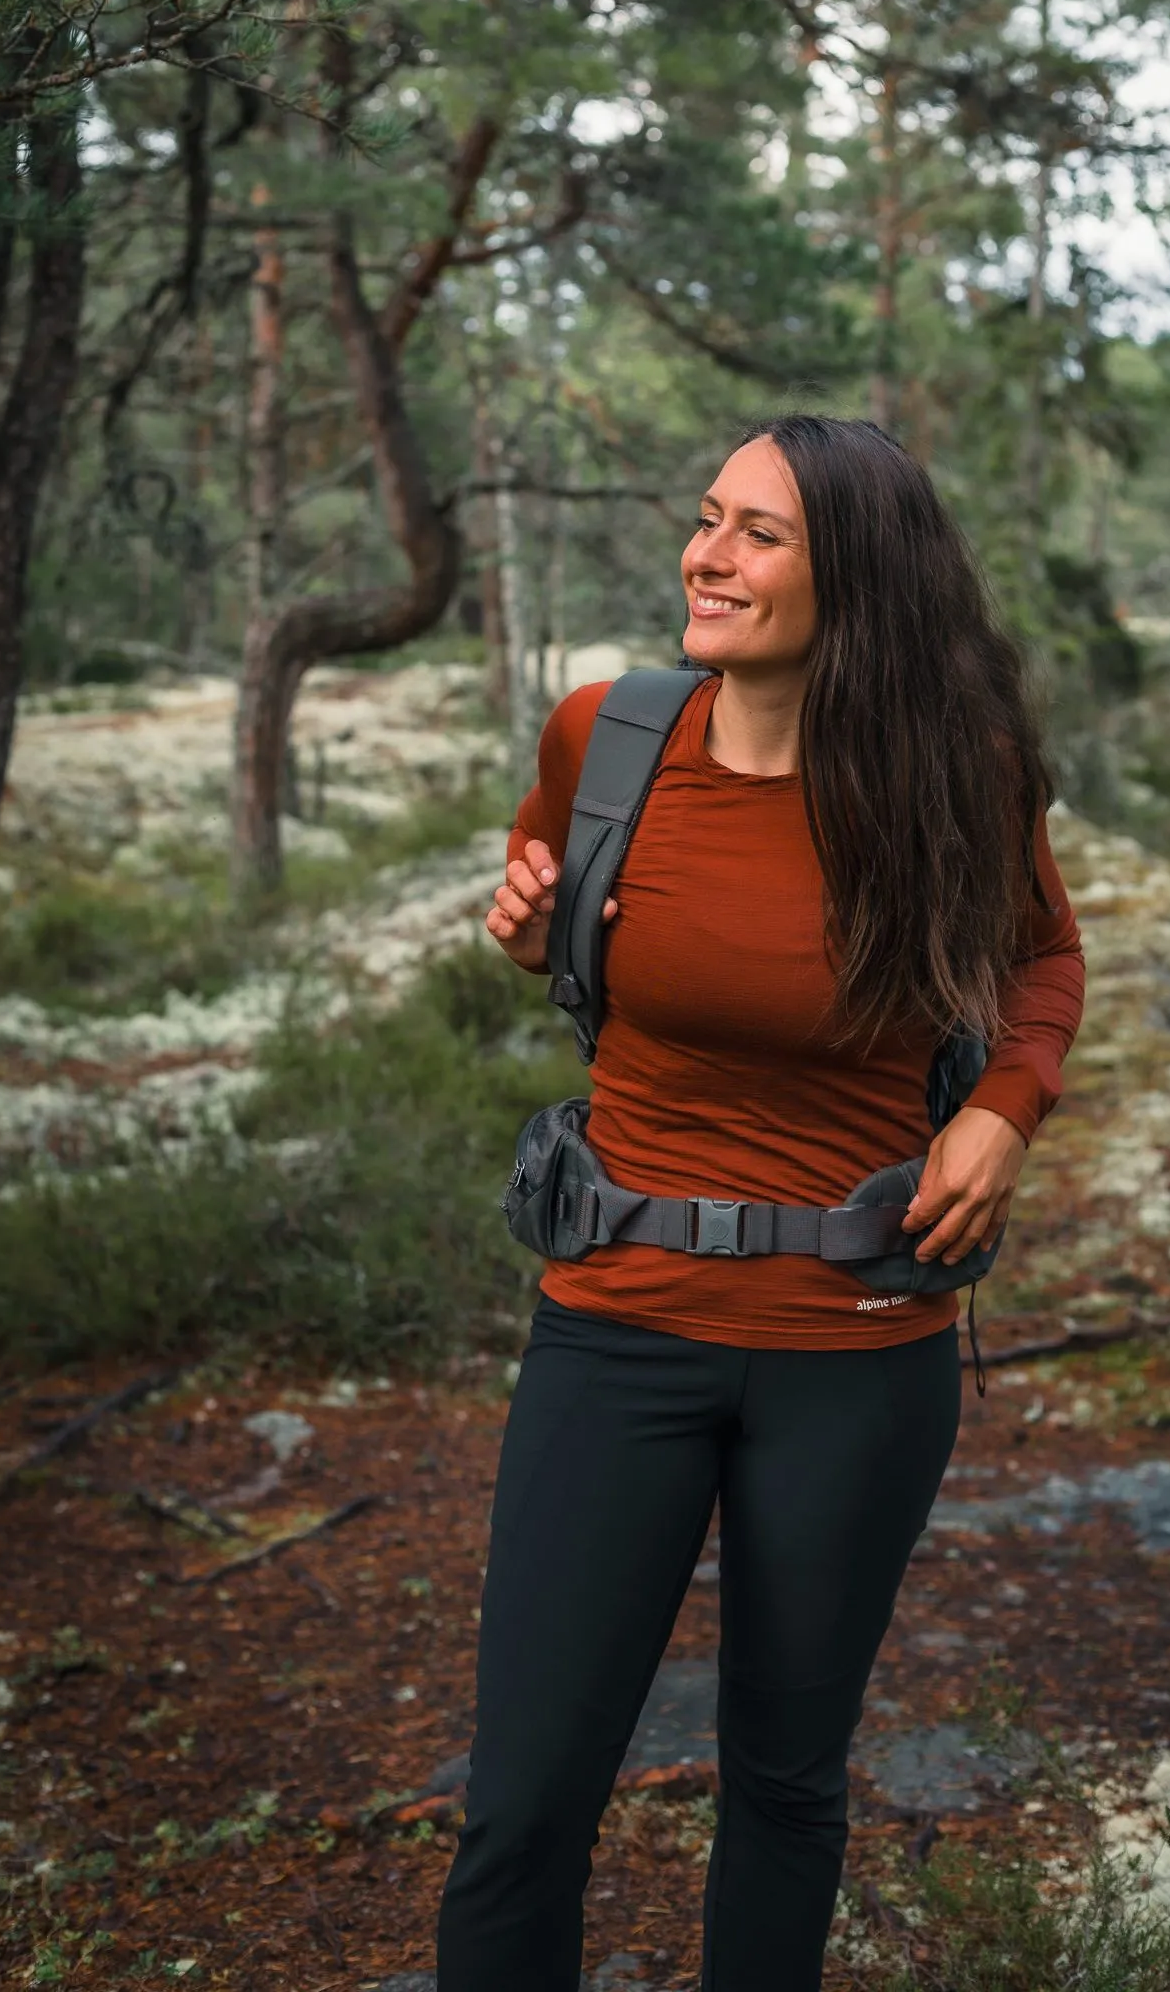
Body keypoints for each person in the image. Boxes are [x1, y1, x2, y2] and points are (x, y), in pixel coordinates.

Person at [435, 414, 1086, 1992]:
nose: (708, 557)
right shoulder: (606, 736)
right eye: (706, 516)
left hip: (858, 1349)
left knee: (785, 1784)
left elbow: (1040, 962)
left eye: (760, 535)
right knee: (524, 1804)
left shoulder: (954, 775)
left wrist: (1004, 1111)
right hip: (616, 1331)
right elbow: (550, 903)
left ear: (854, 576)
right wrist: (525, 928)